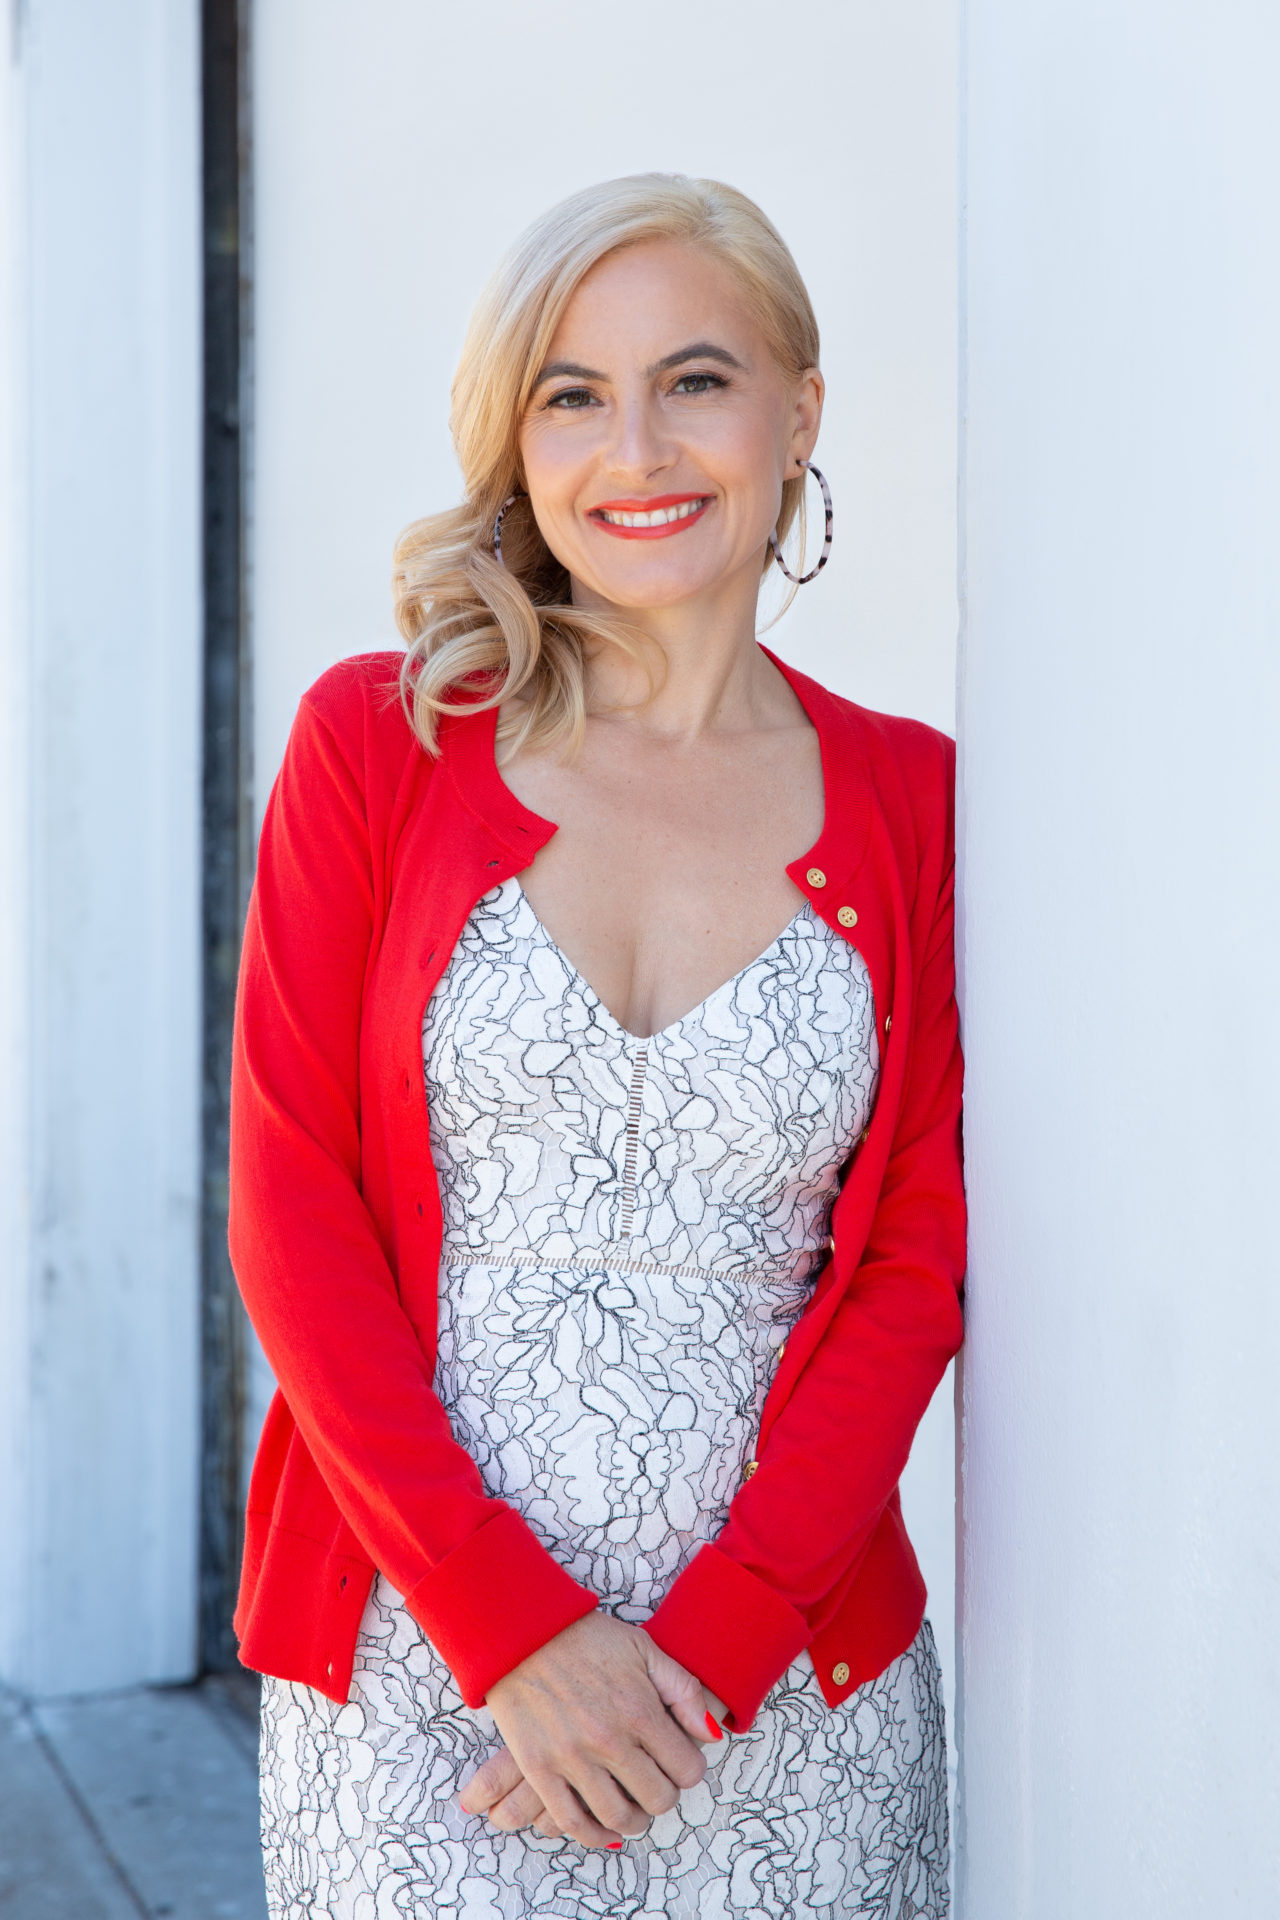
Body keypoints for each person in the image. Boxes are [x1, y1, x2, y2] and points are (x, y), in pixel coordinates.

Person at [230, 172, 965, 1919]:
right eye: (574, 392)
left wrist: (705, 1655)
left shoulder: (916, 801)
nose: (636, 445)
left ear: (798, 413)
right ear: (519, 443)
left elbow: (916, 1268)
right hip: (424, 1680)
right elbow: (293, 1215)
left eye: (695, 379)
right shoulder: (378, 742)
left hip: (783, 1697)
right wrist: (519, 1636)